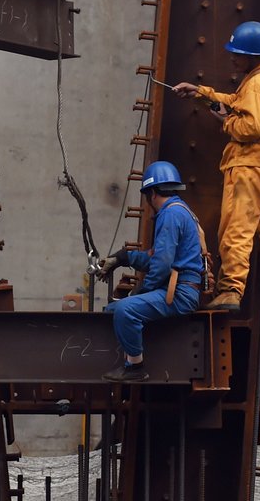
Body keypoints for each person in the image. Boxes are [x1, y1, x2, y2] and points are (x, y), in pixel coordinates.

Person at [172, 21, 260, 321]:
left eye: (238, 53)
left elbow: (251, 126)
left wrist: (226, 122)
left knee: (236, 229)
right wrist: (201, 92)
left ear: (252, 55)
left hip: (248, 167)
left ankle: (230, 291)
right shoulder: (259, 80)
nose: (233, 58)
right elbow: (237, 103)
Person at [96, 161, 205, 382]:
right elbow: (156, 256)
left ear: (152, 193)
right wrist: (123, 257)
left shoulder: (170, 215)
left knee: (126, 310)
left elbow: (163, 264)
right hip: (182, 289)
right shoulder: (181, 211)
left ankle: (135, 367)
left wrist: (142, 291)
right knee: (113, 309)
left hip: (181, 293)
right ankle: (132, 352)